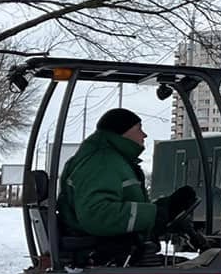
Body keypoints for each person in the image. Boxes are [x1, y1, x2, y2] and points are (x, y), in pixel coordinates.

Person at [58, 107, 196, 258]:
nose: (144, 134)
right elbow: (96, 214)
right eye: (139, 128)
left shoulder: (112, 160)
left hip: (110, 245)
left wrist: (164, 208)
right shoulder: (102, 162)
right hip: (104, 250)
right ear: (122, 132)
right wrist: (153, 214)